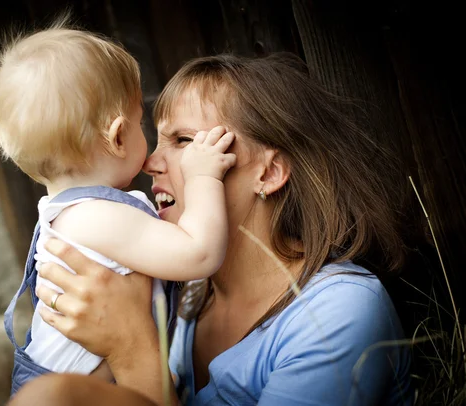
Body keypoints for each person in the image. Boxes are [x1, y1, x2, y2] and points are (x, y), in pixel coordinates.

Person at [31, 52, 415, 406]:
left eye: (184, 141)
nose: (149, 162)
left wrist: (131, 348)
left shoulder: (337, 311)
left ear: (268, 172)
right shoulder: (188, 297)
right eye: (159, 139)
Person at [0, 22, 237, 394]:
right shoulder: (96, 217)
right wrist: (202, 175)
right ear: (119, 135)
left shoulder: (68, 214)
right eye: (141, 123)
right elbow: (199, 253)